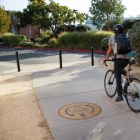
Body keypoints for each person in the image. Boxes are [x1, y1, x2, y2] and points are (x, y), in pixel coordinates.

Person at [103, 24, 131, 102]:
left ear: (114, 30)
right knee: (121, 69)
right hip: (127, 59)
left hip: (118, 60)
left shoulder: (112, 37)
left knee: (118, 77)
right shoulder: (126, 36)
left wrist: (106, 58)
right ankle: (128, 79)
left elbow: (109, 50)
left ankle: (119, 96)